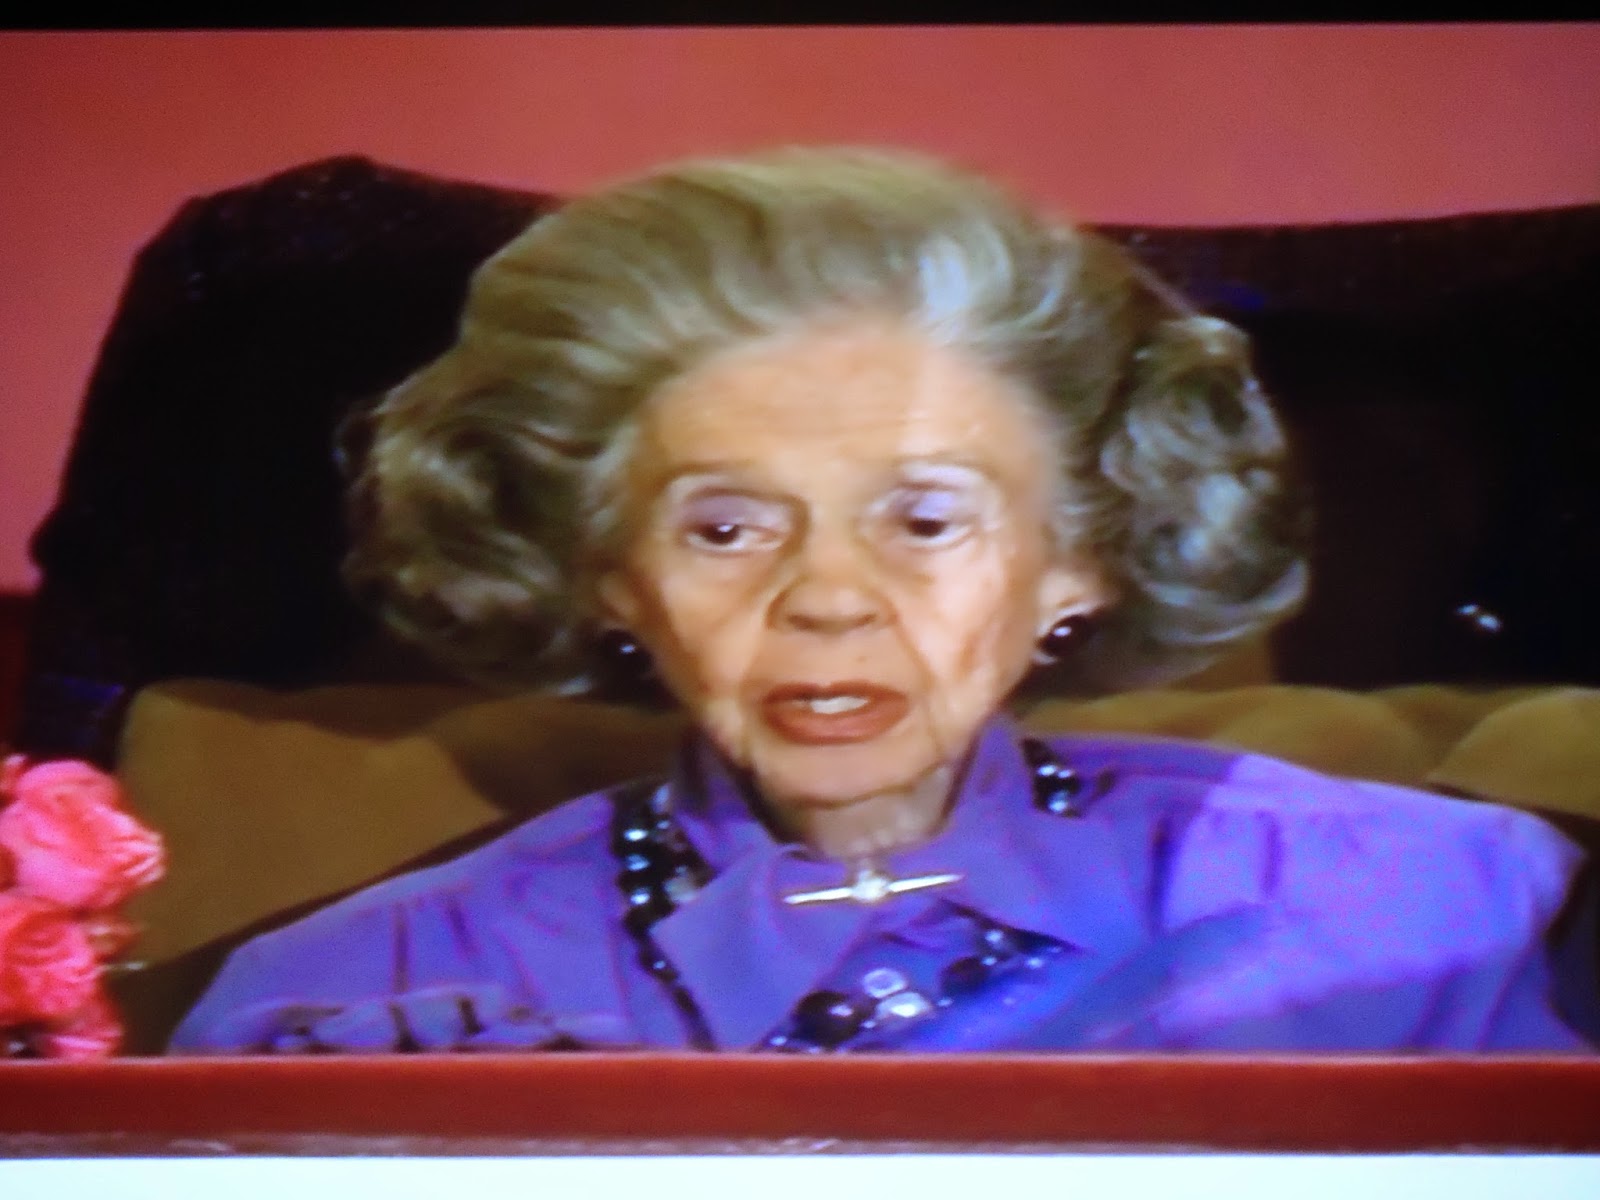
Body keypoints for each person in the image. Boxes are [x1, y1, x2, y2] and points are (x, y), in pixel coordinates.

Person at [171, 147, 1592, 1053]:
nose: (828, 601)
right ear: (608, 575)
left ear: (1081, 558)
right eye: (726, 527)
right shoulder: (351, 993)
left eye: (924, 520)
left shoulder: (1429, 917)